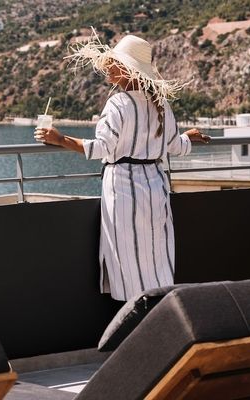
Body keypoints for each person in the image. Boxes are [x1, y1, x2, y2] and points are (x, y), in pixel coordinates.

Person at [34, 32, 210, 301]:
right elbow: (174, 146)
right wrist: (189, 137)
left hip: (124, 189)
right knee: (155, 254)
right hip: (155, 186)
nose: (107, 66)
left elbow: (103, 148)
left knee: (128, 258)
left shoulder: (118, 103)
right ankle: (163, 314)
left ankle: (135, 321)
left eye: (113, 62)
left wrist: (59, 139)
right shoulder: (160, 104)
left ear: (128, 69)